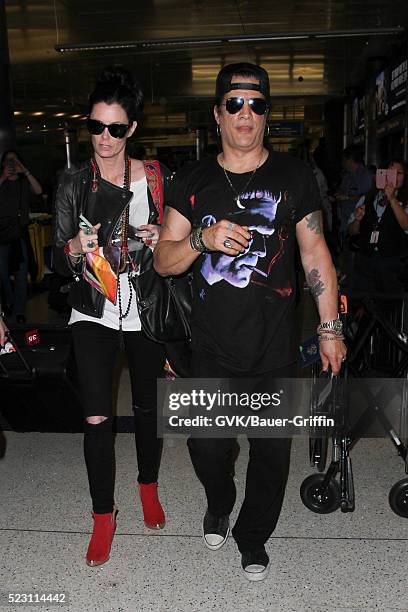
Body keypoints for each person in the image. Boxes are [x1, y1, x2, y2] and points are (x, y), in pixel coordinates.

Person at [154, 62, 346, 581]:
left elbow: (315, 254)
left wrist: (330, 328)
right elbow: (162, 260)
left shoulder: (294, 177)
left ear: (267, 114)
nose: (246, 113)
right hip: (211, 347)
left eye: (256, 104)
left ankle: (253, 536)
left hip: (276, 347)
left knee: (271, 454)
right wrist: (202, 239)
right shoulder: (193, 180)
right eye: (234, 103)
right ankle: (220, 501)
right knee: (208, 447)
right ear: (217, 114)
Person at [53, 68, 170, 567]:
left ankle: (147, 485)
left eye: (116, 129)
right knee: (97, 413)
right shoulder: (73, 182)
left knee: (147, 407)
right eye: (96, 127)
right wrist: (75, 248)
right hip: (92, 308)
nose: (104, 138)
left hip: (142, 305)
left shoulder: (158, 178)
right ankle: (104, 515)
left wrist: (158, 236)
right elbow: (57, 260)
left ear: (132, 130)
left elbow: (177, 243)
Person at [348, 159, 408, 293]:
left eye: (399, 173)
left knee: (389, 306)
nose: (393, 176)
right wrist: (357, 220)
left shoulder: (405, 201)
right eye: (389, 172)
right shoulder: (367, 198)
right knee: (362, 304)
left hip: (392, 264)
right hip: (365, 262)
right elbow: (351, 232)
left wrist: (392, 199)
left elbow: (406, 226)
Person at [0, 150, 42, 323]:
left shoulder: (24, 182)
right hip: (2, 234)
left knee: (21, 273)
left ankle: (18, 311)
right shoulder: (1, 182)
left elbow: (39, 191)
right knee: (2, 273)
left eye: (14, 161)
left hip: (20, 233)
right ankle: (8, 303)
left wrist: (24, 170)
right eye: (8, 162)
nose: (11, 164)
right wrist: (3, 177)